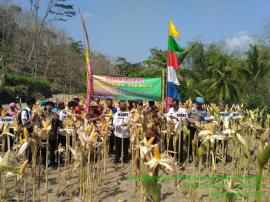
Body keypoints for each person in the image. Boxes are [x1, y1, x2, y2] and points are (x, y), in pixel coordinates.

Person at [187, 97, 207, 161]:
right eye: (198, 104)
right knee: (190, 141)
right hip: (191, 127)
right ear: (196, 103)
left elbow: (205, 120)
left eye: (200, 104)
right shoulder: (191, 109)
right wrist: (190, 120)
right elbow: (186, 115)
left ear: (202, 105)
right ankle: (190, 155)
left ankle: (196, 154)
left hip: (199, 128)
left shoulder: (204, 111)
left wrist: (203, 124)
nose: (198, 105)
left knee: (198, 142)